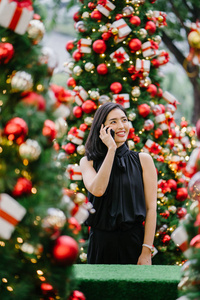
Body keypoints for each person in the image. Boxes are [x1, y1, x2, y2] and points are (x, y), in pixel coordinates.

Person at [80, 102, 157, 265]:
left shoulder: (143, 160)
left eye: (124, 120)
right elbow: (98, 189)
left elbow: (151, 209)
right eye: (113, 122)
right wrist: (111, 150)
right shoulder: (88, 162)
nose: (121, 126)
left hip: (134, 243)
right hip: (101, 244)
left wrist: (146, 252)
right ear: (102, 128)